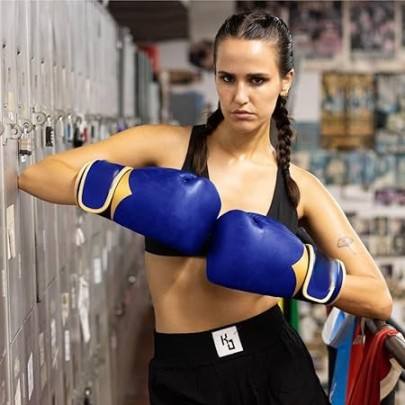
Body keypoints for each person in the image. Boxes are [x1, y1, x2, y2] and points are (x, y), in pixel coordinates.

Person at [18, 10, 392, 405]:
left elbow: (377, 297)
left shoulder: (300, 187)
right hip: (184, 373)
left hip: (275, 369)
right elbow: (37, 175)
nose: (240, 96)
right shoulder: (165, 147)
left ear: (286, 81)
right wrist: (120, 192)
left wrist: (302, 275)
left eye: (257, 80)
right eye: (227, 78)